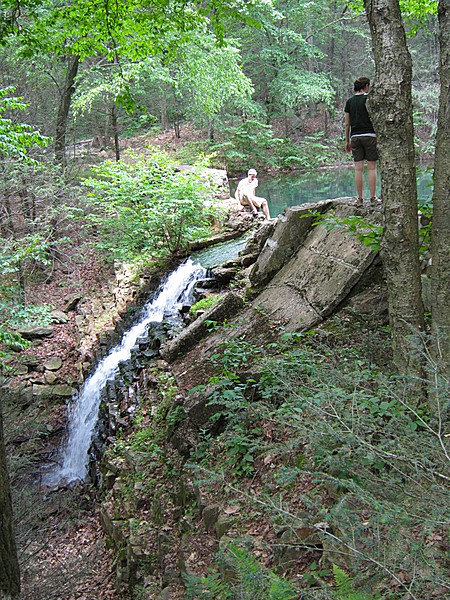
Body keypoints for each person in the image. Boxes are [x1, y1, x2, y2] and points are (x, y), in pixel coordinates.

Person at [344, 77, 379, 207]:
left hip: (355, 137)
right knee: (372, 167)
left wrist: (347, 141)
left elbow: (347, 124)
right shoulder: (369, 100)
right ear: (365, 86)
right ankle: (373, 198)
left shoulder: (349, 102)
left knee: (358, 169)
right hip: (370, 136)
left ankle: (359, 199)